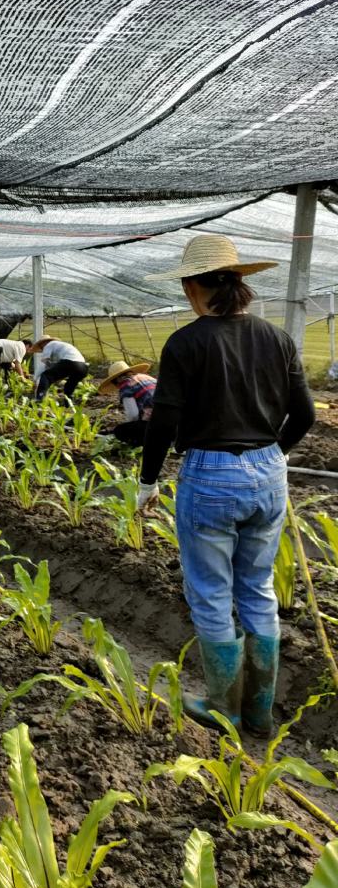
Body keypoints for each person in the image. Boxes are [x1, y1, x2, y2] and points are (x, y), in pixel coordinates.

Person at [136, 234, 314, 737]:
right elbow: (303, 415)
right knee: (257, 588)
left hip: (211, 473)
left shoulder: (187, 342)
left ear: (195, 287)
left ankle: (225, 707)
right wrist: (274, 454)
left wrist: (148, 481)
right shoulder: (277, 338)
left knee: (211, 592)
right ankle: (258, 710)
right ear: (237, 283)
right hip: (268, 470)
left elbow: (164, 419)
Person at [97, 360, 156, 446]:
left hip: (158, 423)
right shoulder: (147, 377)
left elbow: (133, 415)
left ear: (117, 379)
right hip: (177, 420)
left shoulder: (126, 386)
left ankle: (144, 443)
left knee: (120, 431)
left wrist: (131, 426)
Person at [32, 337, 88, 405]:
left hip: (70, 362)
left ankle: (39, 398)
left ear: (44, 343)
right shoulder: (63, 346)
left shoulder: (48, 345)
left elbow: (45, 361)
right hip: (83, 367)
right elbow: (59, 368)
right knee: (70, 384)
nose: (42, 349)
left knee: (46, 376)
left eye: (41, 347)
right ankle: (68, 403)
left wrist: (35, 379)